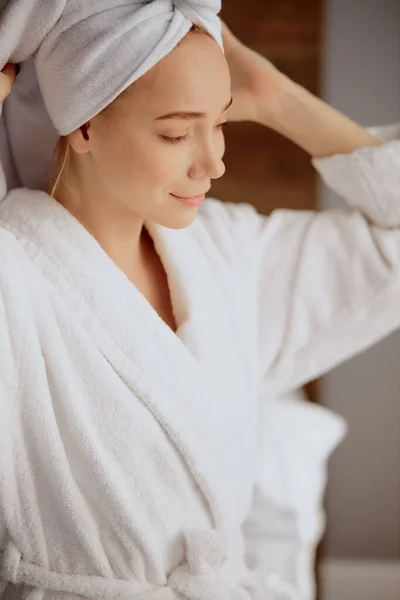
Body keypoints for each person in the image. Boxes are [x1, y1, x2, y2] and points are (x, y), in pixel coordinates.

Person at [0, 4, 399, 600]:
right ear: (83, 125)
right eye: (177, 132)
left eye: (222, 123)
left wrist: (275, 96)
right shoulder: (15, 276)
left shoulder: (225, 253)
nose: (214, 162)